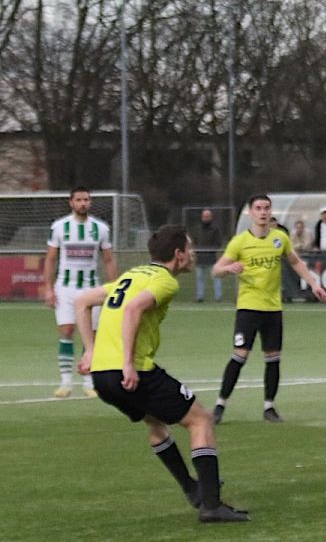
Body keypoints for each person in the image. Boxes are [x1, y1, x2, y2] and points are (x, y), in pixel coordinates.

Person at [73, 224, 249, 522]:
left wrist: (90, 351)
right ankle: (212, 505)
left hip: (101, 376)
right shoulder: (165, 281)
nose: (193, 254)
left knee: (155, 423)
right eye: (190, 249)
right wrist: (128, 364)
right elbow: (133, 310)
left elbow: (82, 301)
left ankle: (193, 490)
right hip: (131, 371)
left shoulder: (131, 275)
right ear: (178, 254)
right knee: (201, 420)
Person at [211, 194, 326, 424]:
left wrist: (314, 283)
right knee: (240, 355)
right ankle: (220, 405)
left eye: (266, 208)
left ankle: (269, 407)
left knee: (273, 358)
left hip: (273, 309)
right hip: (248, 308)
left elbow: (295, 261)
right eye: (258, 208)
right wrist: (228, 269)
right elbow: (216, 270)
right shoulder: (240, 242)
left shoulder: (279, 238)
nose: (263, 212)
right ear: (250, 213)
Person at [43, 186, 117, 398]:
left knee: (90, 336)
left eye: (86, 200)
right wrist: (48, 288)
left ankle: (89, 382)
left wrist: (114, 287)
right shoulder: (59, 227)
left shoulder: (100, 228)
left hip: (91, 288)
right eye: (78, 200)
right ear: (71, 203)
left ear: (90, 202)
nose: (83, 203)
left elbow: (108, 260)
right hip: (65, 287)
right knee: (67, 331)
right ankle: (66, 382)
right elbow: (50, 259)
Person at [193, 209, 223, 303]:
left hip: (211, 257)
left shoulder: (215, 229)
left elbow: (218, 243)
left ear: (211, 217)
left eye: (208, 216)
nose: (206, 218)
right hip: (200, 258)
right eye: (204, 216)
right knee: (199, 278)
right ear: (202, 217)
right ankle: (200, 297)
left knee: (216, 277)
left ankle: (218, 297)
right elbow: (195, 241)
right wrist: (197, 250)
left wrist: (211, 250)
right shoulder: (197, 229)